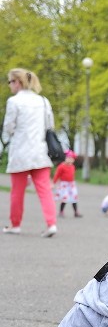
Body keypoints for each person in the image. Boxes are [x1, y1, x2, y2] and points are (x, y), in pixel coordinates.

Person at [2, 68, 59, 237]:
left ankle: (15, 224)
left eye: (10, 82)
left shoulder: (14, 102)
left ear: (17, 82)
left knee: (17, 191)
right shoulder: (43, 100)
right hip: (40, 152)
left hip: (20, 153)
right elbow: (50, 125)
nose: (10, 85)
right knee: (45, 190)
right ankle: (51, 224)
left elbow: (9, 127)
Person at [53, 149, 81, 218]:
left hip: (71, 184)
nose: (69, 160)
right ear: (65, 158)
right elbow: (57, 175)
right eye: (68, 158)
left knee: (74, 198)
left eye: (71, 158)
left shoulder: (72, 166)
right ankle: (61, 211)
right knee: (64, 198)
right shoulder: (61, 166)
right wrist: (54, 182)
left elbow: (72, 175)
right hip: (64, 185)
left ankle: (76, 212)